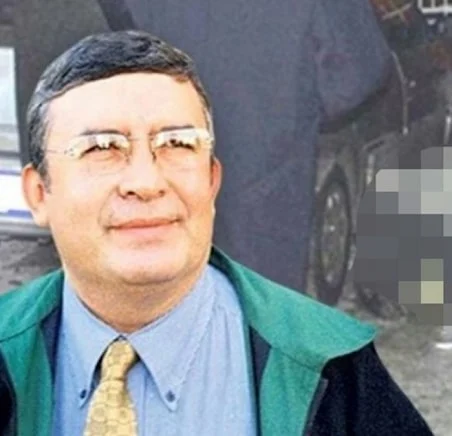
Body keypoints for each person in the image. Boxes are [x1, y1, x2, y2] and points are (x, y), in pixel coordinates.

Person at [0, 30, 433, 436]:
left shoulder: (330, 365)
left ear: (211, 181)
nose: (146, 182)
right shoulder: (6, 351)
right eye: (103, 148)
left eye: (176, 144)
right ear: (39, 193)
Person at [13, 0, 395, 296]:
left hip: (163, 161)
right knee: (256, 322)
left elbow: (115, 31)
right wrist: (294, 111)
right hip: (264, 172)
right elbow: (361, 72)